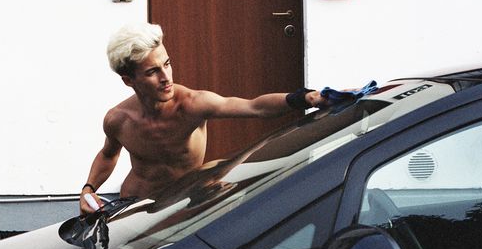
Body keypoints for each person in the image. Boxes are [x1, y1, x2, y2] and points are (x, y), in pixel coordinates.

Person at [79, 22, 327, 213]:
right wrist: (89, 189)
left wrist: (305, 98)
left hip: (187, 201)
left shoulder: (192, 105)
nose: (166, 77)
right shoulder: (118, 119)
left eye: (167, 64)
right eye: (153, 71)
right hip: (136, 205)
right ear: (129, 80)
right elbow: (108, 154)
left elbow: (255, 107)